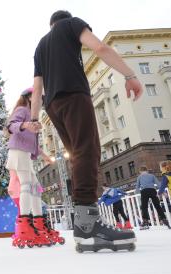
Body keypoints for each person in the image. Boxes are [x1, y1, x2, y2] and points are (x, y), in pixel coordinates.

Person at [31, 10, 141, 253]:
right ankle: (88, 226)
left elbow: (37, 87)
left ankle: (85, 224)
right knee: (87, 151)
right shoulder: (71, 24)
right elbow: (100, 48)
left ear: (51, 25)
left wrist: (33, 119)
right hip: (73, 94)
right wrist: (130, 75)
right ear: (66, 20)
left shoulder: (41, 45)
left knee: (78, 154)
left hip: (53, 104)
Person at [6, 88, 63, 248]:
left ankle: (38, 223)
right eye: (39, 98)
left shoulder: (33, 116)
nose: (41, 102)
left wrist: (45, 156)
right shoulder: (22, 110)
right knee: (26, 185)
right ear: (29, 97)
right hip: (18, 152)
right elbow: (11, 126)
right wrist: (26, 125)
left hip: (25, 154)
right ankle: (24, 225)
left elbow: (33, 144)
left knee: (36, 188)